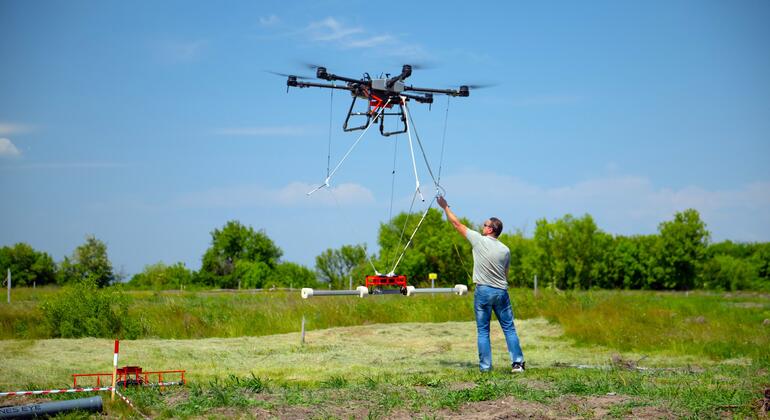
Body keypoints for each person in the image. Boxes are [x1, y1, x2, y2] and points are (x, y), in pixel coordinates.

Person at [437, 195, 525, 373]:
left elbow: (457, 224)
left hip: (483, 291)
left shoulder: (478, 240)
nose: (482, 227)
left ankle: (485, 367)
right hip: (501, 292)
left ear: (491, 229)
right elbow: (505, 274)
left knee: (483, 331)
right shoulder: (505, 250)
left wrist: (445, 207)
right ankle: (518, 364)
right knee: (509, 328)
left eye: (485, 225)